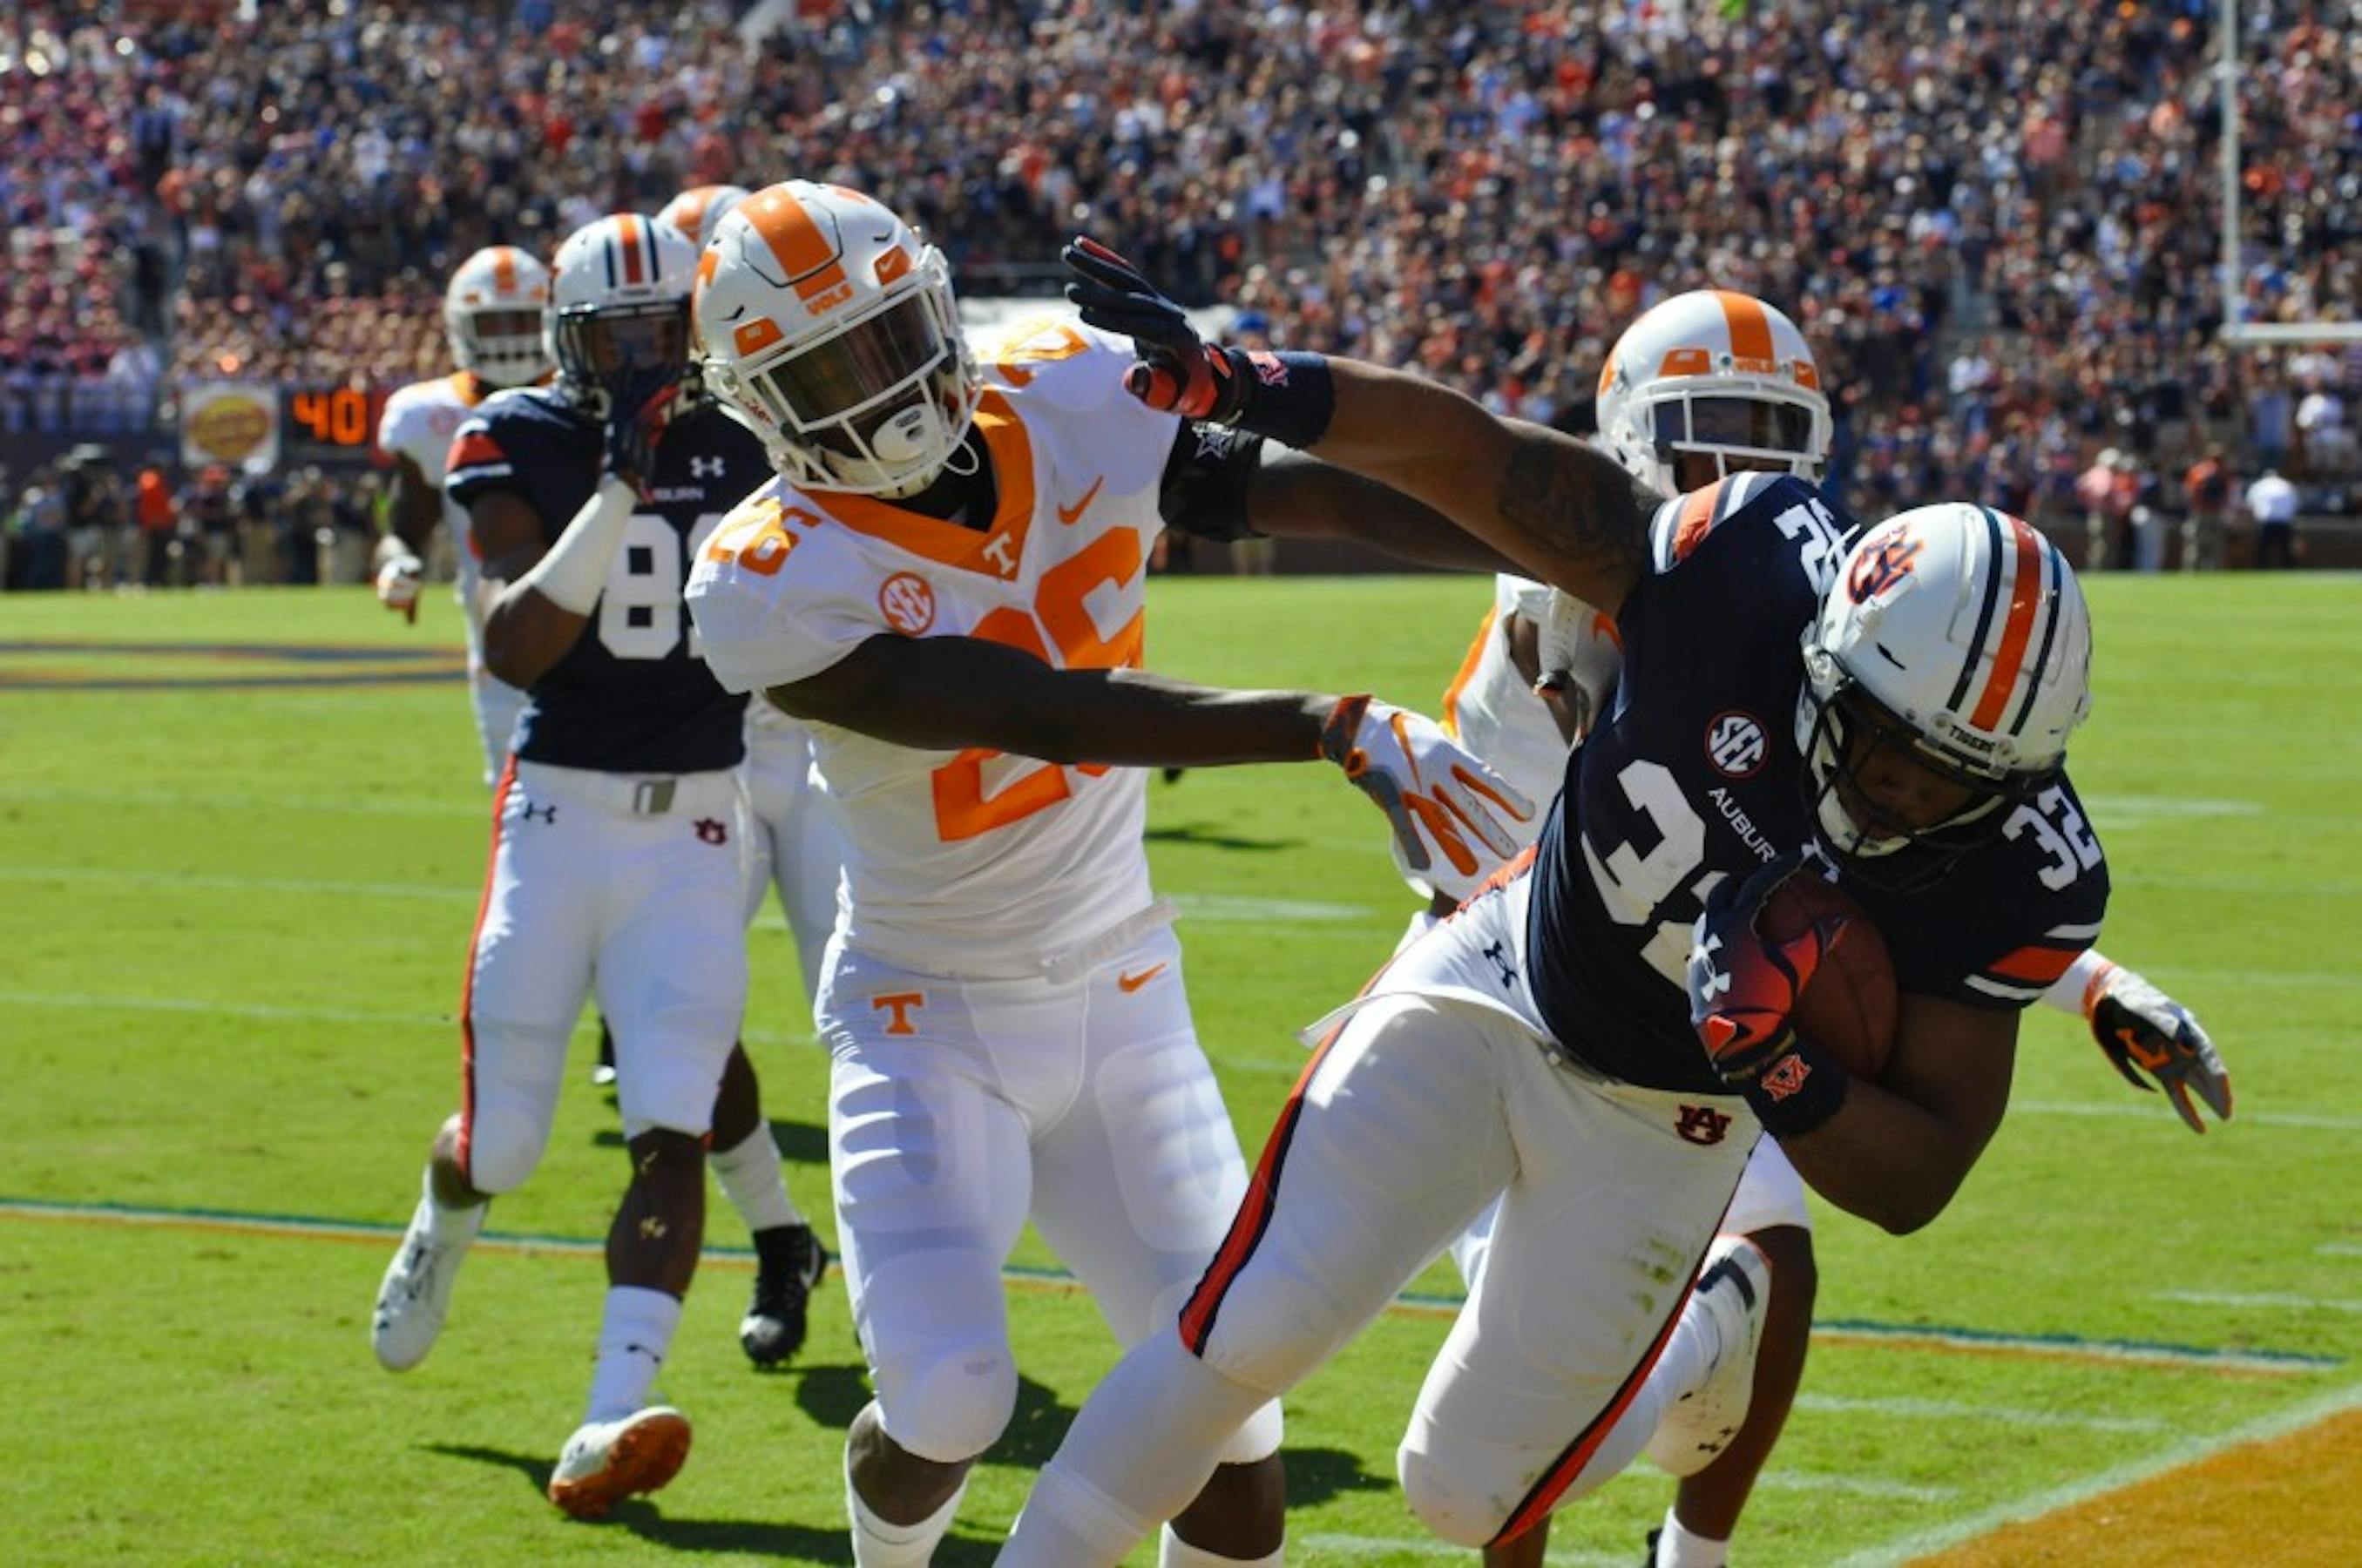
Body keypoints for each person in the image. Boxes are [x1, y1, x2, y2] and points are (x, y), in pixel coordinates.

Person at [996, 242, 2156, 1564]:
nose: (1899, 791)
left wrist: (1775, 1066)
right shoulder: (1729, 572)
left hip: (1666, 1114)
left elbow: (1920, 1174)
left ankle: (1706, 1335)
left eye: (1953, 780)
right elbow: (1474, 456)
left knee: (1463, 1494)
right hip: (1497, 976)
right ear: (1827, 655)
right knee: (1245, 1327)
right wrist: (1248, 383)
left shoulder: (2020, 867)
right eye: (1886, 743)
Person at [681, 181, 1533, 1568]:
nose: (879, 390)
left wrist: (1559, 545)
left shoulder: (1071, 388)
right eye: (825, 373)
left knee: (1236, 1424)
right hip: (924, 1019)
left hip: (1121, 993)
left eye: (887, 338)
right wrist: (1323, 724)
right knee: (948, 1401)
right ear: (757, 406)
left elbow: (1318, 492)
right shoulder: (770, 575)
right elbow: (1038, 710)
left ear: (938, 307)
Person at [1400, 291, 2232, 1568]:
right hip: (1521, 984)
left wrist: (2084, 979)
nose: (1738, 473)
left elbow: (1876, 870)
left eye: (1769, 440)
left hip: (1704, 1005)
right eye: (1706, 439)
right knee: (1523, 1388)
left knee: (1776, 1263)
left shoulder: (1811, 606)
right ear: (1626, 437)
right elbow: (1553, 857)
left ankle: (1693, 1558)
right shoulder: (1567, 603)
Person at [366, 213, 821, 1518]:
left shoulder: (750, 435)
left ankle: (611, 1411)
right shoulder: (513, 434)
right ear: (570, 343)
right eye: (615, 337)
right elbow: (516, 645)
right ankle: (445, 1217)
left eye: (662, 330)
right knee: (504, 1145)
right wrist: (621, 483)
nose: (642, 358)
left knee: (670, 1115)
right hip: (558, 817)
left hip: (697, 824)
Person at [372, 245, 556, 783]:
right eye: (494, 323)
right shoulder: (429, 416)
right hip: (501, 647)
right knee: (519, 804)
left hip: (604, 637)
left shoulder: (583, 399)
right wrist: (397, 564)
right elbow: (403, 529)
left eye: (522, 320)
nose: (509, 338)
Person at [2245, 466, 2299, 569]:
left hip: (2266, 522)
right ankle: (2289, 569)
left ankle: (2261, 569)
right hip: (2283, 522)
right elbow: (2295, 504)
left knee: (2263, 549)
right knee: (2285, 549)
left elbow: (2250, 505)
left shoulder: (2259, 486)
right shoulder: (2286, 485)